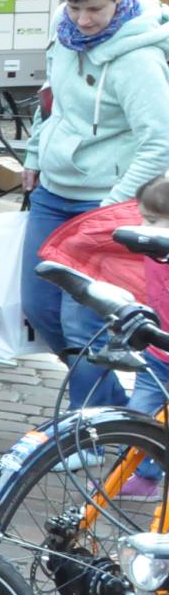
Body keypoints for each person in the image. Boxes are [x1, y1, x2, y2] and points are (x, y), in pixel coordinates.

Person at [21, 0, 169, 418]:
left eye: (95, 9)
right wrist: (34, 154)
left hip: (102, 203)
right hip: (53, 194)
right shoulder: (64, 32)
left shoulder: (138, 59)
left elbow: (160, 143)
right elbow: (52, 101)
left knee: (81, 324)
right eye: (74, 7)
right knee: (39, 306)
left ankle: (85, 431)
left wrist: (111, 210)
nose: (83, 20)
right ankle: (112, 417)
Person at [122, 173, 169, 500]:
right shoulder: (152, 248)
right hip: (158, 353)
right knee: (138, 416)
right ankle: (144, 477)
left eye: (151, 220)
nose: (143, 227)